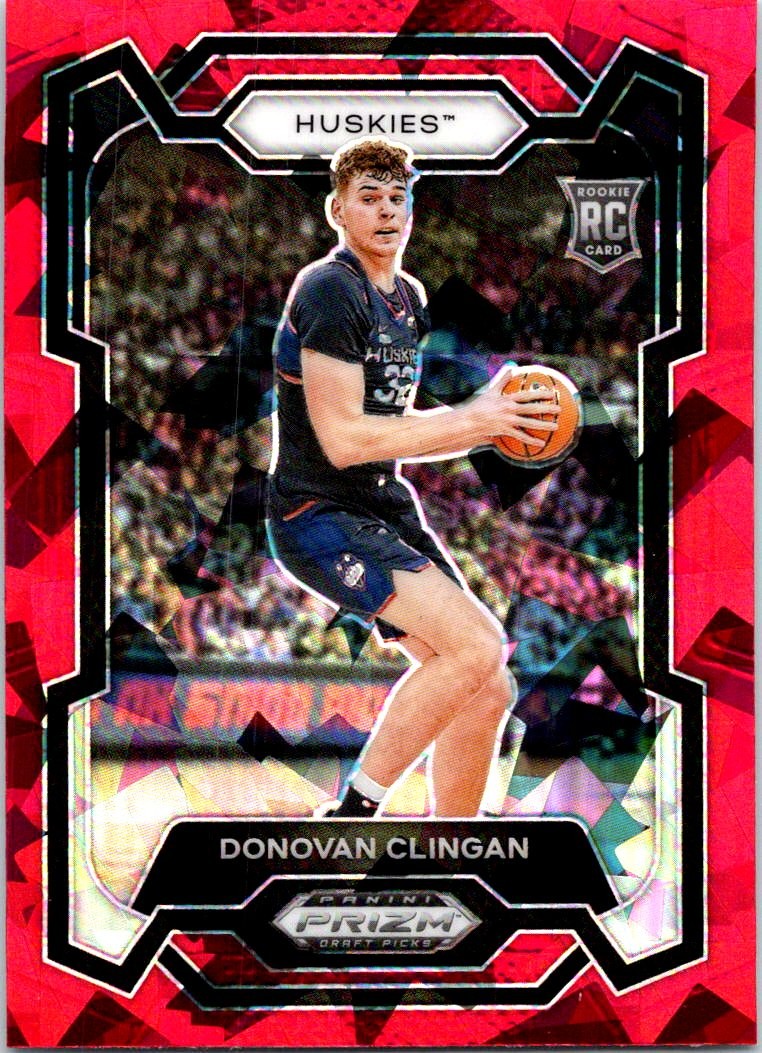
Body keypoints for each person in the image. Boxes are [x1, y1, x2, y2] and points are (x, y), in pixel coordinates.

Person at [266, 138, 559, 817]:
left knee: (488, 684)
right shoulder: (329, 288)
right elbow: (345, 440)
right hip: (316, 511)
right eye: (369, 197)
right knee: (476, 647)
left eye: (398, 198)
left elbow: (394, 425)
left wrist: (486, 425)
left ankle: (451, 848)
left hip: (379, 504)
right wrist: (475, 420)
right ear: (338, 210)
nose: (387, 210)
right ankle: (352, 815)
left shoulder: (408, 297)